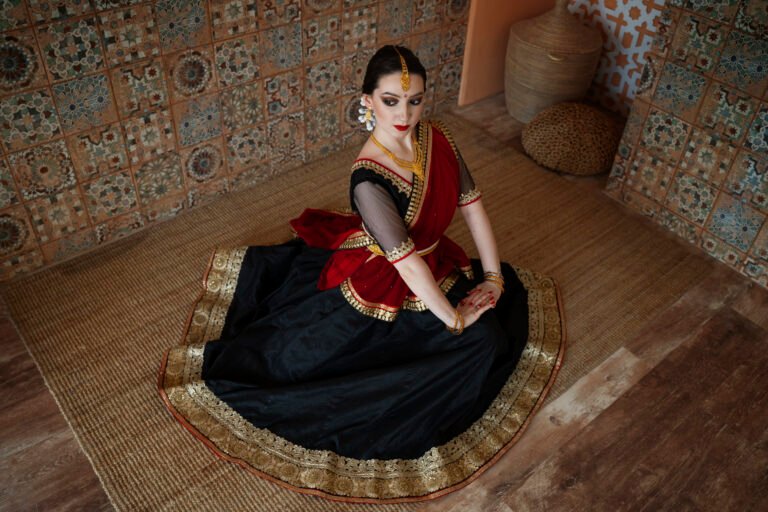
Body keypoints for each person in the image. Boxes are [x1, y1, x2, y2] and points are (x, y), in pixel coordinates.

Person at [159, 45, 565, 503]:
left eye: (415, 100)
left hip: (433, 262)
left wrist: (492, 278)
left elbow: (472, 208)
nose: (404, 114)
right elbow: (406, 263)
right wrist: (453, 318)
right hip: (386, 280)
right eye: (390, 101)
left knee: (492, 330)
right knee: (469, 345)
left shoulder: (437, 138)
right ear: (368, 101)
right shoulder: (368, 178)